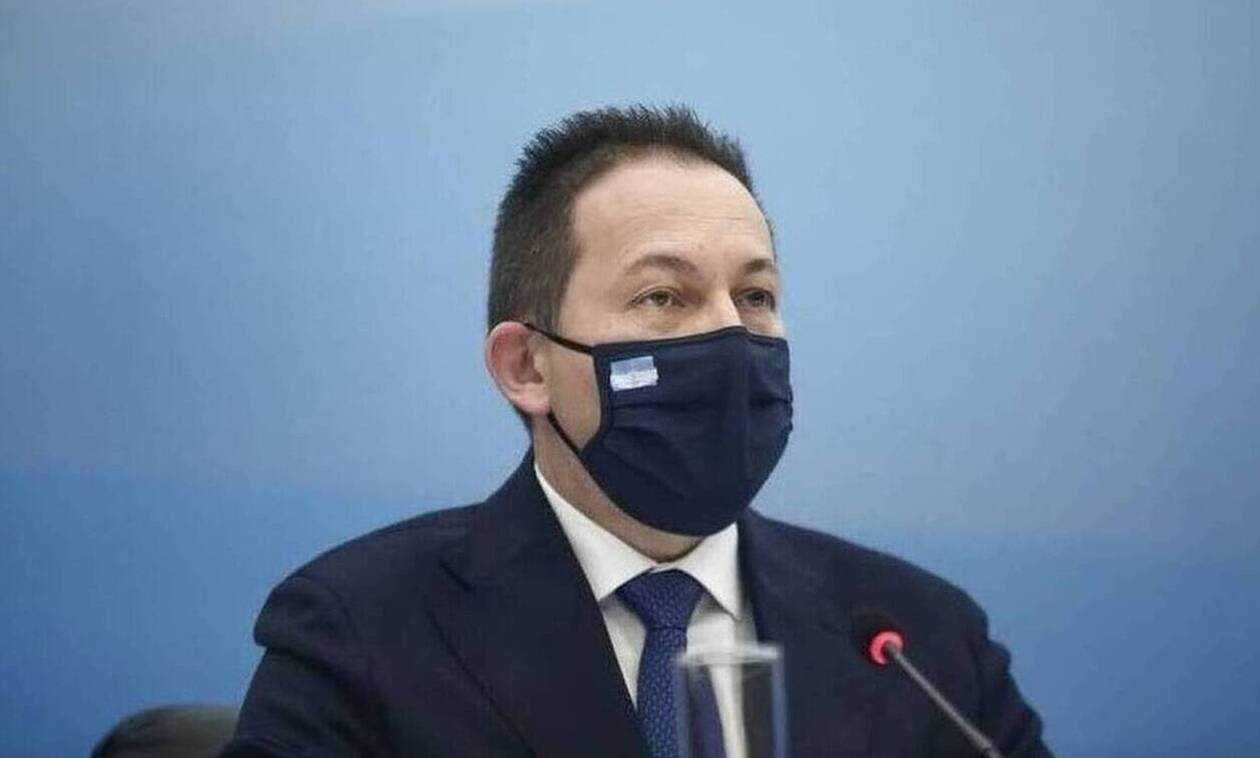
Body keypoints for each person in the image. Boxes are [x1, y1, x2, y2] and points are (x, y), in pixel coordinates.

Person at [221, 105, 1049, 757]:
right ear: (528, 367)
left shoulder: (921, 643)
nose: (729, 336)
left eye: (755, 297)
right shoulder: (362, 632)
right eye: (664, 297)